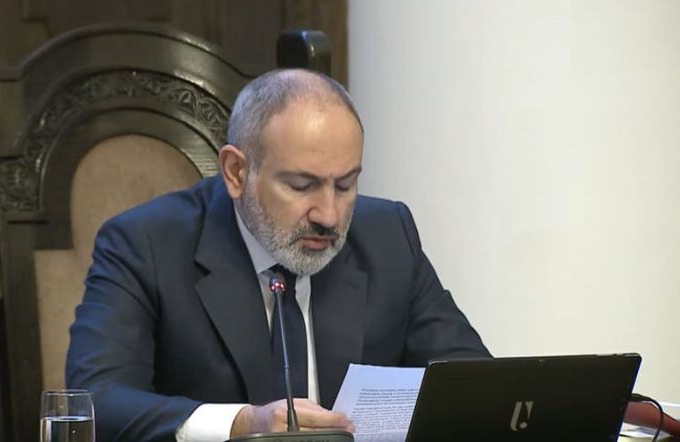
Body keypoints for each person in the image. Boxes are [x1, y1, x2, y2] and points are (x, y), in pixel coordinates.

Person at [66, 69, 490, 442]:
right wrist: (241, 424)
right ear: (236, 172)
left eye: (345, 185)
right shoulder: (146, 244)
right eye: (302, 186)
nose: (329, 215)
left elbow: (474, 383)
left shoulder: (387, 235)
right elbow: (95, 401)